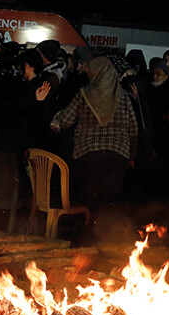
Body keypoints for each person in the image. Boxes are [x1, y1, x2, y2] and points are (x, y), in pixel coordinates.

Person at [50, 56, 138, 243]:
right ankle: (105, 243)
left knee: (89, 201)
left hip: (88, 155)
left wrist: (57, 119)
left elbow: (66, 120)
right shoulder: (123, 96)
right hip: (117, 156)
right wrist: (131, 156)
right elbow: (133, 128)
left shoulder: (84, 93)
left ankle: (85, 243)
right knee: (108, 203)